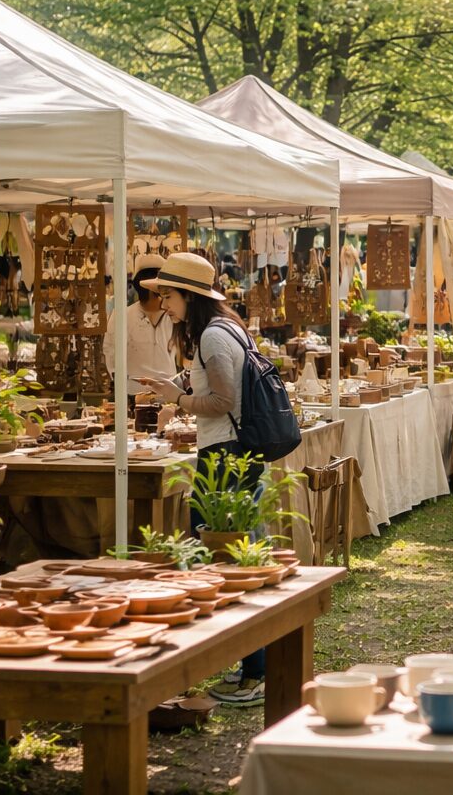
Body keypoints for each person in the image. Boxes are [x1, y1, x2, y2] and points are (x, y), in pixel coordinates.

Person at [134, 252, 266, 705]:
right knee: (235, 557)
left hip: (225, 457)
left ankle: (255, 672)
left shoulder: (211, 336)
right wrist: (177, 386)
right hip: (230, 454)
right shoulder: (226, 328)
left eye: (168, 295)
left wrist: (179, 399)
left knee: (227, 560)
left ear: (189, 295)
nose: (164, 304)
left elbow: (224, 400)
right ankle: (249, 666)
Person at [103, 255, 175, 395]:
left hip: (169, 391)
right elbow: (110, 351)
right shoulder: (122, 316)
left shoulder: (173, 316)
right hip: (132, 392)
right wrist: (118, 382)